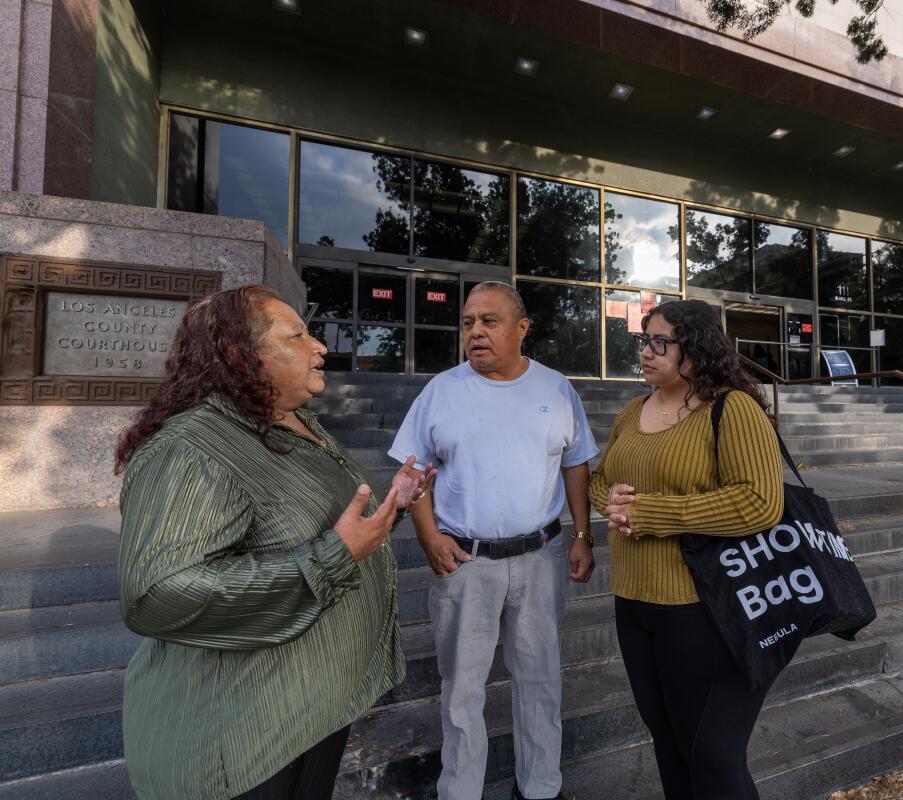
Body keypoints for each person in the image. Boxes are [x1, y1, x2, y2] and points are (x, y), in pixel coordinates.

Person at [115, 285, 433, 800]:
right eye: (299, 335)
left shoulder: (291, 422)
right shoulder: (191, 449)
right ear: (244, 356)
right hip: (242, 742)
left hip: (306, 713)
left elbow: (322, 528)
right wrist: (335, 557)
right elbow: (158, 594)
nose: (320, 346)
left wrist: (391, 505)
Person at [388, 281, 599, 800]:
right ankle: (460, 791)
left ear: (522, 328)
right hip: (465, 562)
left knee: (540, 680)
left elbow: (576, 463)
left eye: (489, 321)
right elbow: (414, 475)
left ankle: (541, 788)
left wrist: (583, 534)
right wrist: (430, 536)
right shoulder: (442, 390)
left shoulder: (556, 388)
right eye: (467, 323)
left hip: (542, 558)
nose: (475, 332)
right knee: (460, 689)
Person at [588, 299, 784, 800]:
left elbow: (759, 502)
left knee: (712, 756)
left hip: (701, 607)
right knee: (669, 743)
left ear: (696, 347)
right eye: (643, 341)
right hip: (633, 602)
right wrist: (607, 500)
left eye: (661, 342)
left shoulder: (731, 408)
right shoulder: (634, 410)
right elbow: (601, 481)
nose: (647, 352)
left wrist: (652, 515)